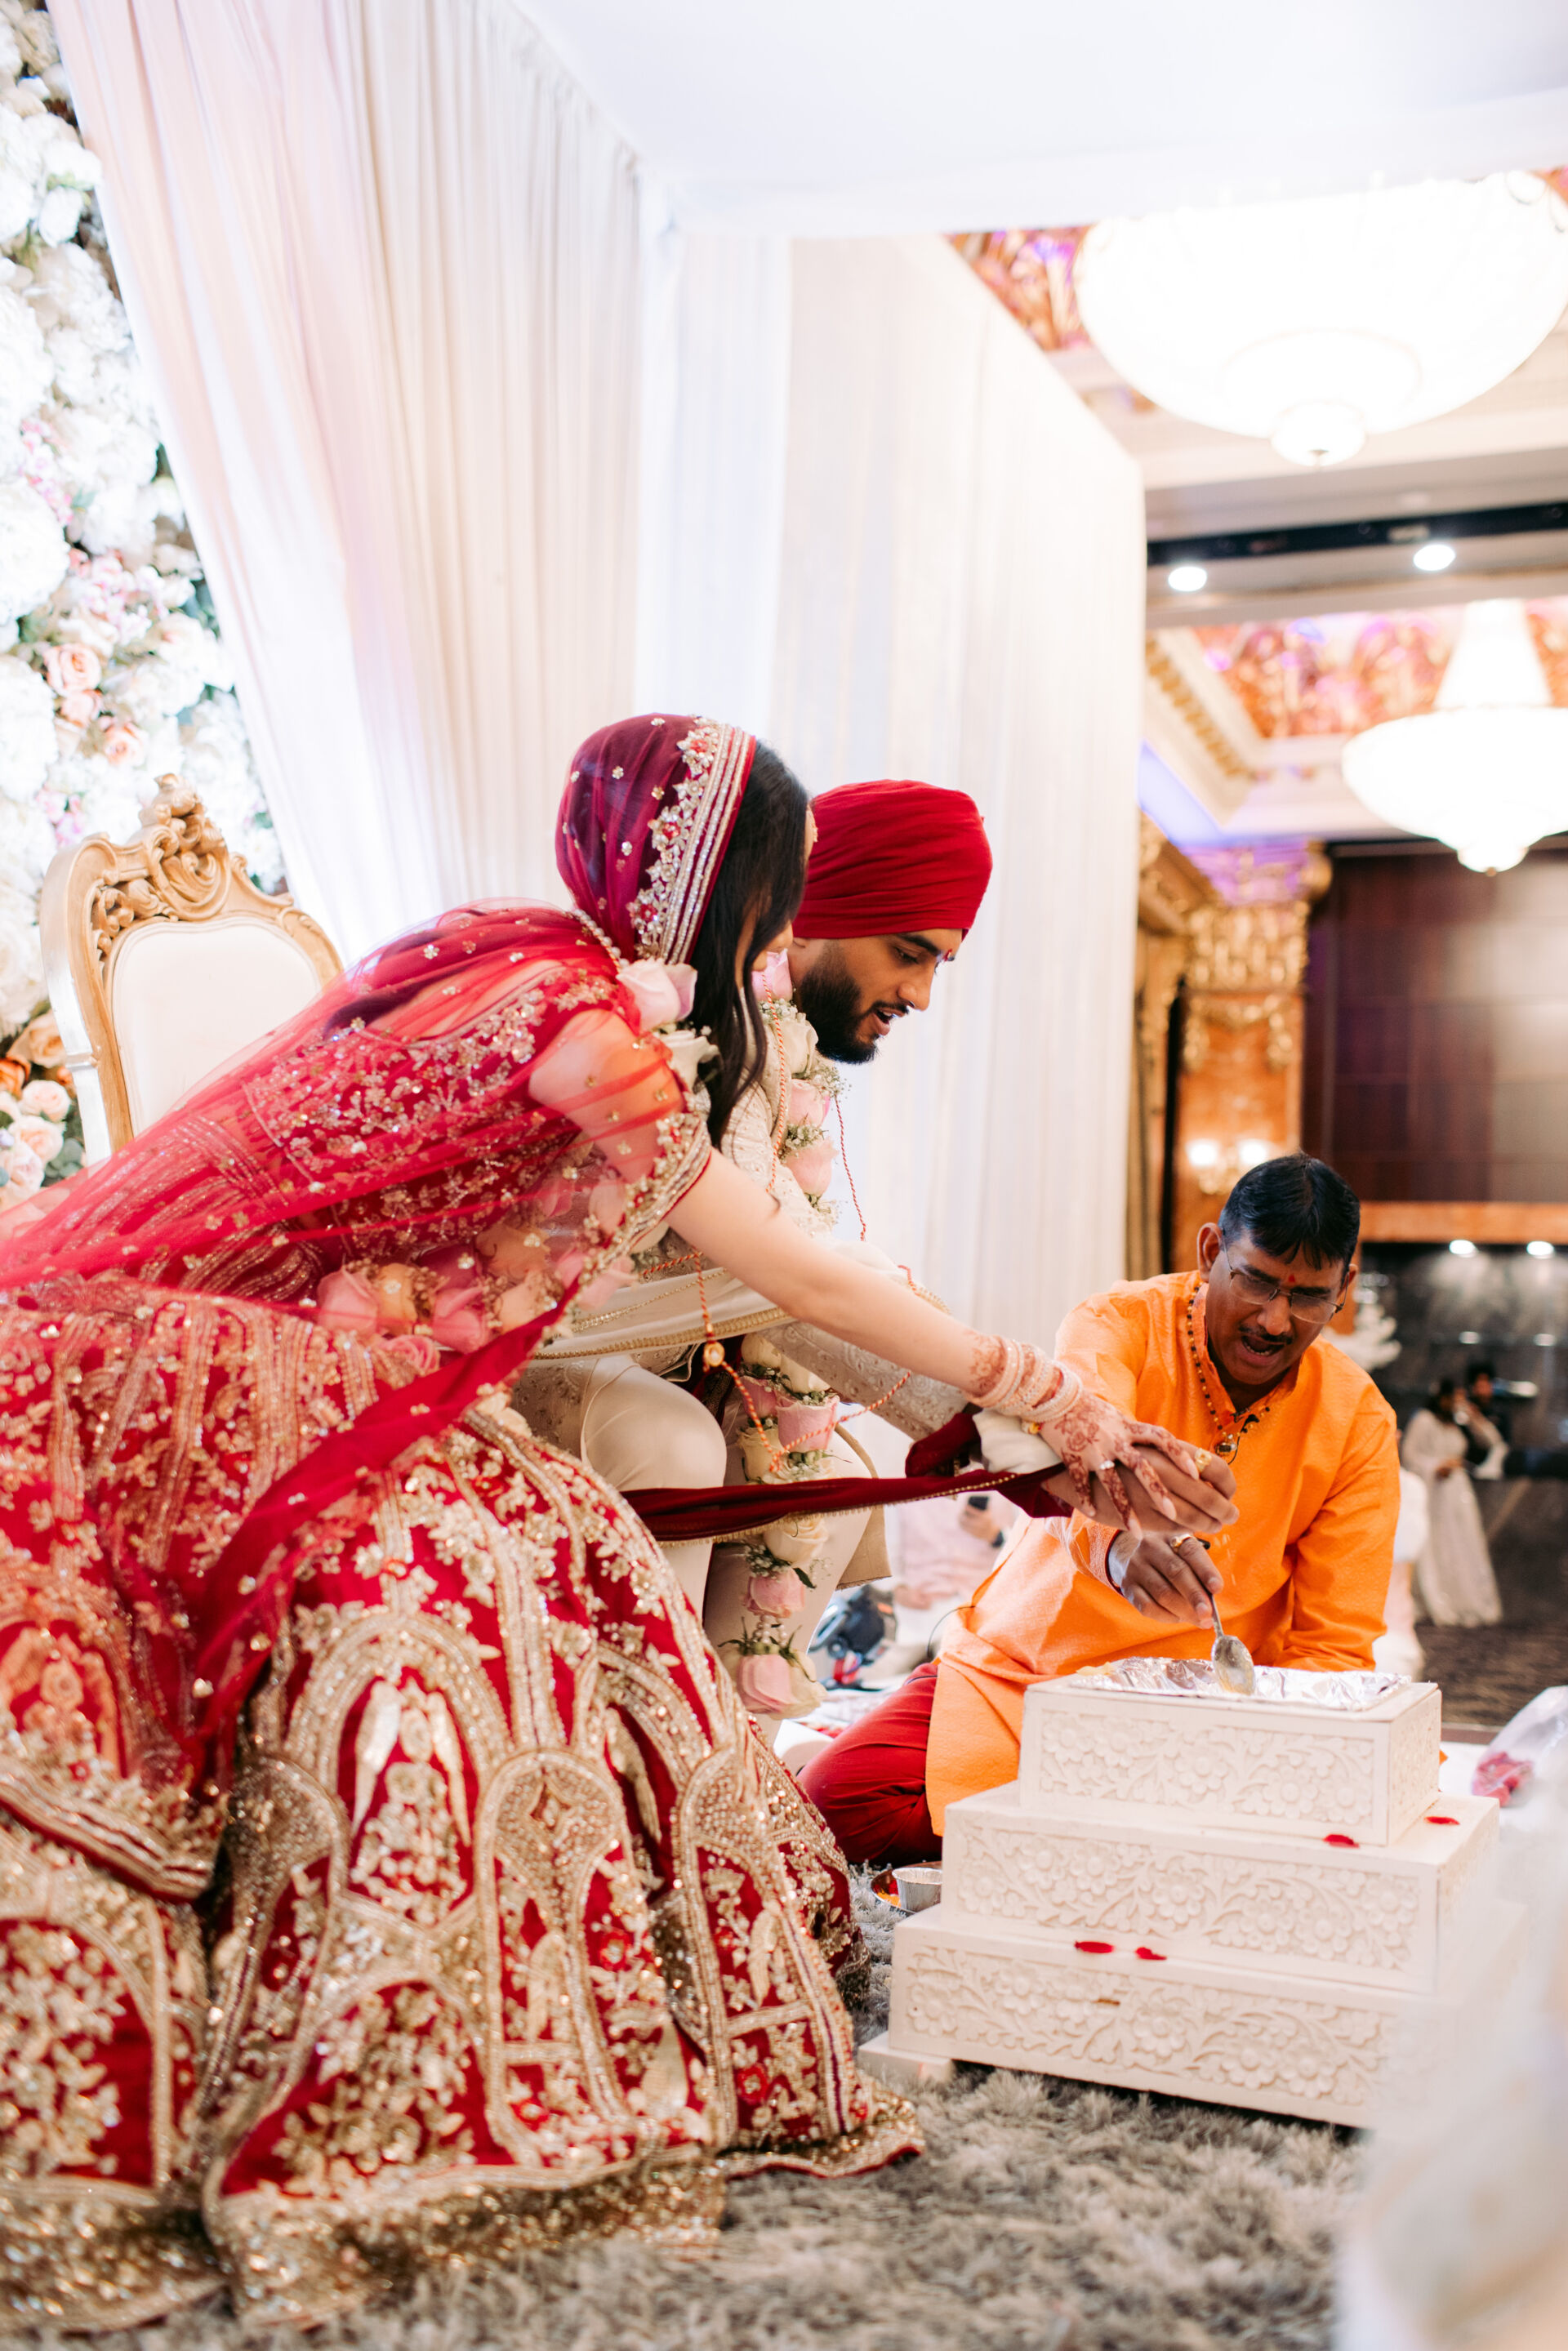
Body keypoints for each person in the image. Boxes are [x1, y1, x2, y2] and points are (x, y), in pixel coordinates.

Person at [0, 716, 1232, 2327]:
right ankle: (452, 2048)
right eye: (787, 899)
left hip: (239, 1342)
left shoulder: (508, 958)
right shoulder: (595, 1031)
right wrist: (1054, 1404)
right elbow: (798, 1271)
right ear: (741, 891)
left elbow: (777, 1274)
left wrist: (1007, 1432)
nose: (796, 939)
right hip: (277, 1372)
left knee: (563, 1527)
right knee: (529, 1551)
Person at [514, 777, 999, 1725]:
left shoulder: (783, 1041)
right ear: (816, 910)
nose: (920, 994)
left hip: (656, 1351)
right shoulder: (700, 1027)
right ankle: (658, 1755)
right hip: (529, 1349)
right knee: (681, 1439)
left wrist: (1008, 1428)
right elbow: (784, 1274)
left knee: (827, 1485)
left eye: (939, 963)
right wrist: (1009, 1421)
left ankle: (738, 1761)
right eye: (909, 953)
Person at [801, 1151, 1398, 1867]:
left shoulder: (1358, 1420)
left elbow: (1333, 1645)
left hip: (1208, 1714)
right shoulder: (1119, 1323)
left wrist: (1267, 1761)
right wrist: (1118, 1544)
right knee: (834, 1807)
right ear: (1211, 1250)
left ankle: (1073, 1840)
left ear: (1345, 1289)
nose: (1274, 1320)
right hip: (1032, 1675)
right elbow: (1079, 1450)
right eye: (1256, 1281)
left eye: (1308, 1298)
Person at [1402, 1379, 1504, 1627]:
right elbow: (1409, 1455)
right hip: (1434, 1491)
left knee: (1461, 1542)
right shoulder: (1424, 1420)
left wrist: (1475, 1418)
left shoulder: (1459, 1423)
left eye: (1461, 1398)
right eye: (1454, 1397)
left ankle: (1462, 1598)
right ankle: (1434, 1597)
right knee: (1436, 1541)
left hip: (1457, 1493)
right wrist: (1436, 1466)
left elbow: (1494, 1442)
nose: (1457, 1402)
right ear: (1442, 1397)